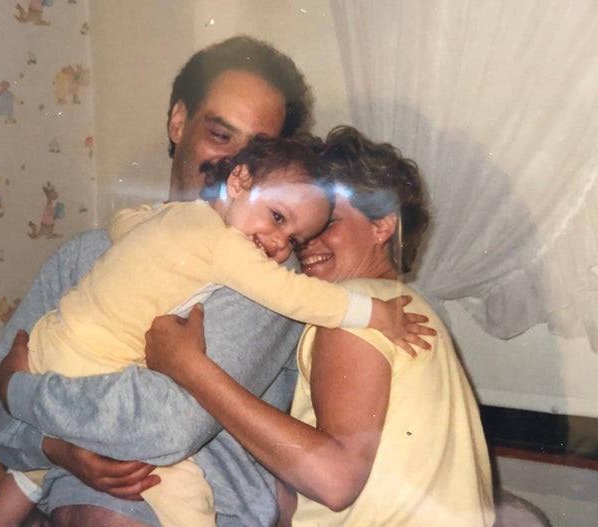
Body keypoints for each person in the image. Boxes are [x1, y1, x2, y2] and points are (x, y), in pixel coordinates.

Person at [0, 134, 422, 527]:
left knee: (28, 476)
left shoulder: (171, 221)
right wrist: (375, 313)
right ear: (239, 178)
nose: (277, 245)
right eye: (277, 218)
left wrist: (39, 429)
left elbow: (168, 427)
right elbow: (298, 297)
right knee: (187, 498)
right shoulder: (231, 250)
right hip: (87, 373)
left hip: (50, 352)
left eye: (292, 239)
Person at [0, 35, 318, 526]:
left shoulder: (267, 275)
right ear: (179, 122)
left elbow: (166, 427)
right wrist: (54, 448)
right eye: (221, 136)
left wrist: (26, 396)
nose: (236, 166)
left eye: (257, 151)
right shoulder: (87, 253)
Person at [144, 126, 496, 526]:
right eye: (300, 234)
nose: (304, 246)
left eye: (326, 222)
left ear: (382, 225)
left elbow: (335, 481)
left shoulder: (360, 311)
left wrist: (190, 368)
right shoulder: (411, 309)